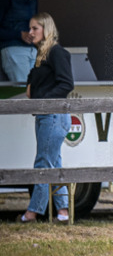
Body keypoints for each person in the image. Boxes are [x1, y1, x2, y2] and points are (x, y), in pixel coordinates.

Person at [18, 13, 74, 223]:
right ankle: (63, 212)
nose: (30, 33)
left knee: (43, 163)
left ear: (46, 29)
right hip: (45, 116)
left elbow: (67, 84)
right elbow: (32, 86)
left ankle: (34, 212)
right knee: (53, 164)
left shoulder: (57, 52)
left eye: (35, 29)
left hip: (54, 115)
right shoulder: (41, 55)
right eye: (30, 29)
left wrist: (45, 101)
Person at [0, 0, 40, 82]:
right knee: (23, 90)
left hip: (31, 48)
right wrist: (19, 34)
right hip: (13, 48)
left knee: (34, 89)